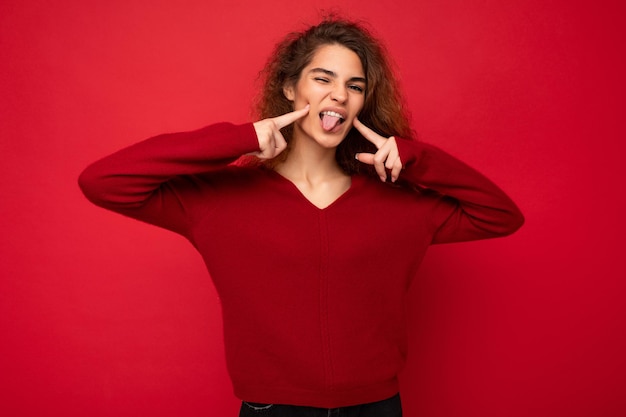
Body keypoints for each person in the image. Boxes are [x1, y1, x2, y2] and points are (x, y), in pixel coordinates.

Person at [79, 17, 524, 417]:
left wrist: (417, 159)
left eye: (355, 85)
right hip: (272, 410)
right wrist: (236, 140)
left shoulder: (400, 203)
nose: (339, 94)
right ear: (290, 87)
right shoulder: (219, 200)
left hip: (376, 409)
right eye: (323, 78)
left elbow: (500, 215)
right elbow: (104, 181)